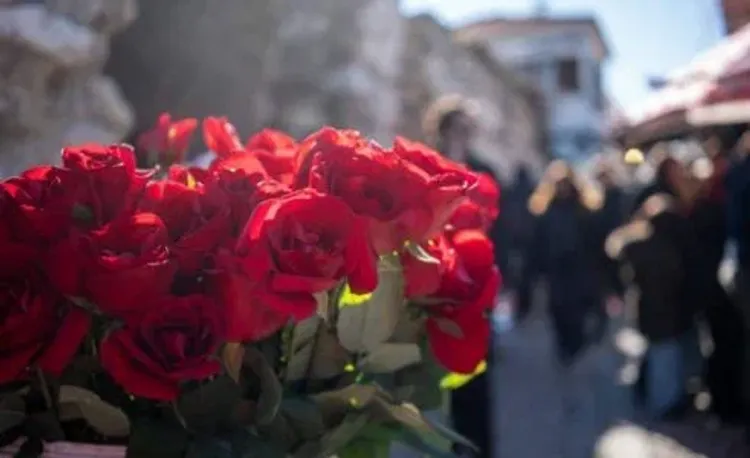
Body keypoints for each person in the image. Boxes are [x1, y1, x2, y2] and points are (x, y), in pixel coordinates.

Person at [424, 96, 501, 458]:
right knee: (433, 374)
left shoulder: (485, 170)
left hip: (476, 279)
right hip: (433, 281)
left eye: (466, 128)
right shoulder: (427, 165)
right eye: (455, 127)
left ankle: (478, 447)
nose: (462, 134)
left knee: (475, 369)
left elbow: (504, 229)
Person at [606, 158, 705, 419]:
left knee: (659, 355)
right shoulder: (660, 250)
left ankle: (653, 397)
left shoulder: (639, 244)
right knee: (665, 357)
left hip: (652, 314)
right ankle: (664, 404)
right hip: (663, 315)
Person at [527, 160, 602, 366]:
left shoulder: (584, 212)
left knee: (576, 314)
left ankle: (575, 345)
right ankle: (565, 348)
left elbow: (594, 245)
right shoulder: (545, 213)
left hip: (579, 271)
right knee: (558, 312)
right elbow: (537, 245)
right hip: (556, 272)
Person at [503, 166, 536, 323]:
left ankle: (516, 306)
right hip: (526, 242)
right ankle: (522, 307)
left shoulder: (511, 192)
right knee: (523, 277)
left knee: (514, 276)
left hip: (513, 240)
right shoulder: (532, 193)